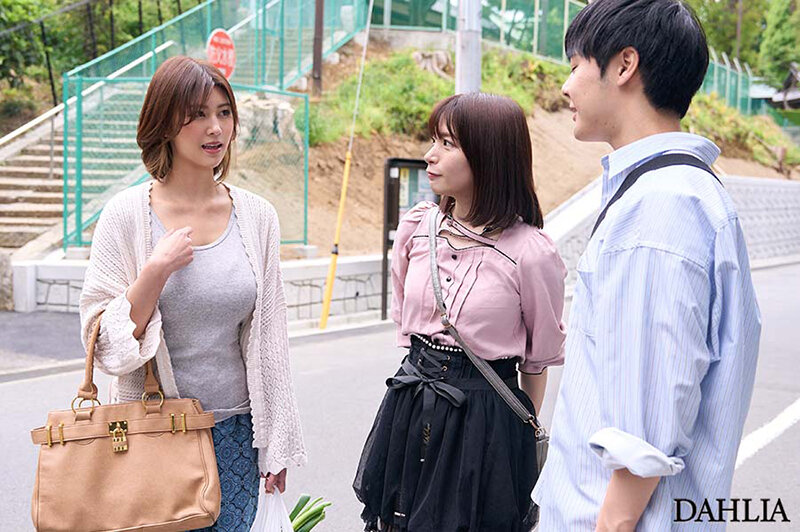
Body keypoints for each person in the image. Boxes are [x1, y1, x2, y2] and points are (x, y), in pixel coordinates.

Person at [531, 1, 761, 530]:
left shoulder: (659, 208)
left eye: (576, 65)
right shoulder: (682, 193)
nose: (565, 86)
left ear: (624, 65)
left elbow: (644, 431)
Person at [79, 56, 306, 530]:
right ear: (164, 122)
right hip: (152, 431)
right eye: (198, 114)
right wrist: (154, 272)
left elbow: (271, 339)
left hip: (237, 434)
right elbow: (102, 345)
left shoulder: (257, 216)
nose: (215, 128)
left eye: (224, 113)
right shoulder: (125, 215)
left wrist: (276, 442)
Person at [354, 92, 567, 531]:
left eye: (447, 143)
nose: (429, 155)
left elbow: (536, 363)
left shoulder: (530, 253)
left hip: (486, 422)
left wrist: (515, 441)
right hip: (411, 404)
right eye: (434, 139)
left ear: (489, 155)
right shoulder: (418, 228)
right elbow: (407, 322)